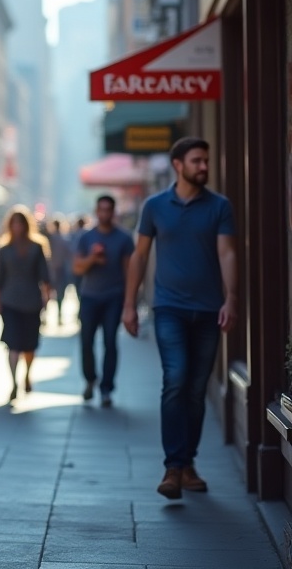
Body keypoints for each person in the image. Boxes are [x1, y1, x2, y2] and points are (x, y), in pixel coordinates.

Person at [123, 138, 237, 500]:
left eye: (205, 160)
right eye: (197, 161)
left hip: (208, 310)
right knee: (175, 379)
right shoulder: (154, 206)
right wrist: (129, 304)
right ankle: (173, 467)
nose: (204, 166)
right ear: (178, 164)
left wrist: (231, 298)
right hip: (168, 308)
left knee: (196, 389)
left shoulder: (220, 206)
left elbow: (227, 253)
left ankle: (188, 464)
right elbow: (139, 256)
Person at [72, 195, 135, 408]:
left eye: (108, 210)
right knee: (86, 341)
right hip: (90, 296)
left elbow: (129, 271)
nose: (105, 214)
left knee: (110, 342)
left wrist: (129, 302)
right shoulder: (86, 237)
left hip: (113, 297)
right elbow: (77, 267)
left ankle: (106, 388)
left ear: (113, 212)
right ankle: (90, 379)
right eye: (101, 210)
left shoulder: (124, 239)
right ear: (96, 211)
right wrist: (92, 257)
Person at [0, 206, 52, 402]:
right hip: (9, 301)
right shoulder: (4, 248)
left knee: (29, 344)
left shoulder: (36, 247)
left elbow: (45, 276)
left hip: (32, 301)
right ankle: (13, 382)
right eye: (14, 223)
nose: (17, 227)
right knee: (12, 343)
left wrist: (47, 297)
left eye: (20, 223)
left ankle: (27, 374)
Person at [46, 219, 74, 325]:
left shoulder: (51, 239)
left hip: (53, 269)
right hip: (59, 269)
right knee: (59, 294)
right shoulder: (63, 239)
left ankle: (49, 313)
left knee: (50, 293)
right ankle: (58, 314)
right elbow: (69, 254)